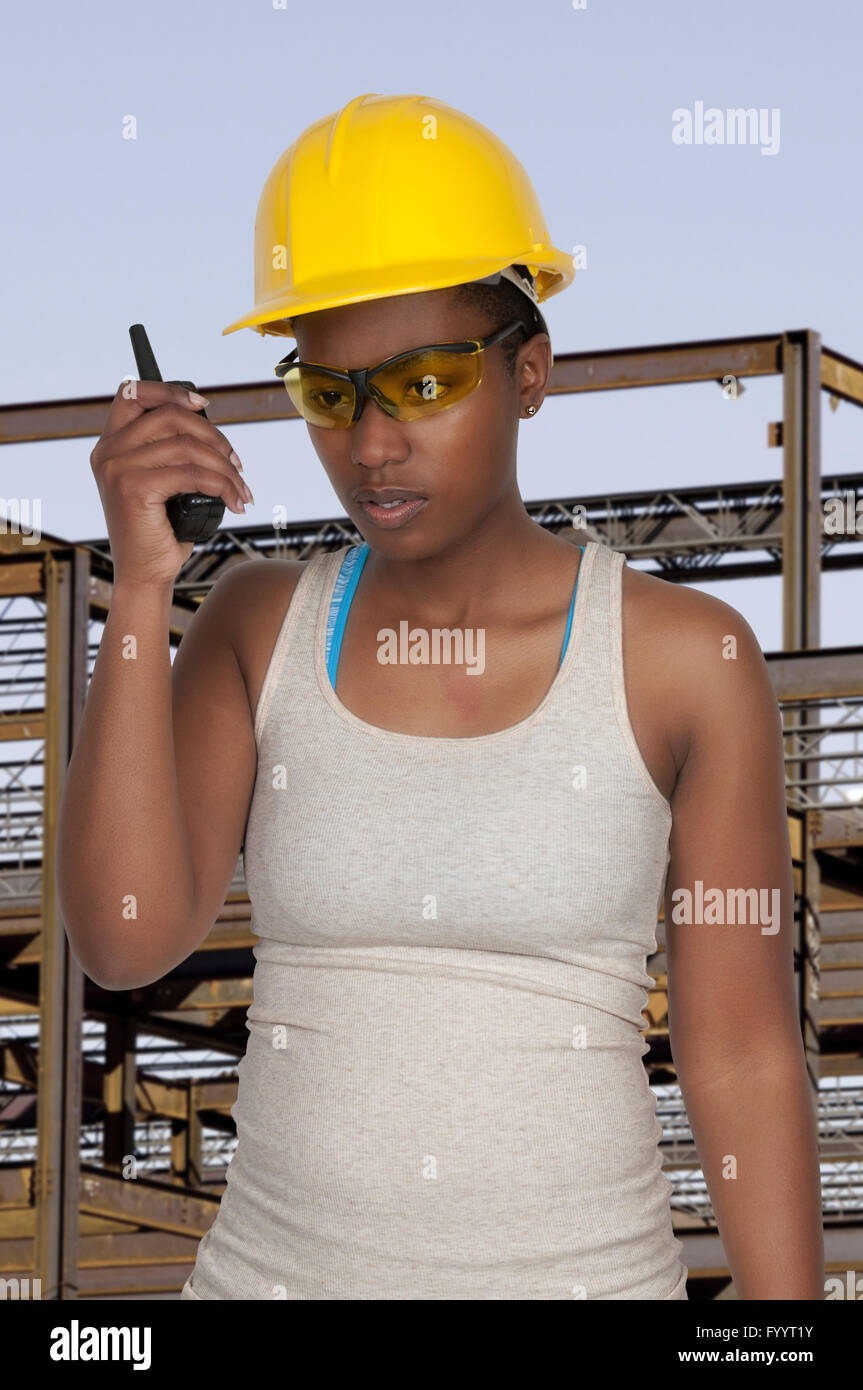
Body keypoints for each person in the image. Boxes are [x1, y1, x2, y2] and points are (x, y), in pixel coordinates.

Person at [58, 93, 824, 1301]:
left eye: (421, 384)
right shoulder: (258, 623)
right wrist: (147, 588)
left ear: (529, 375)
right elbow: (123, 933)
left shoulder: (682, 658)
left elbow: (737, 1053)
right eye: (328, 391)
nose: (370, 443)